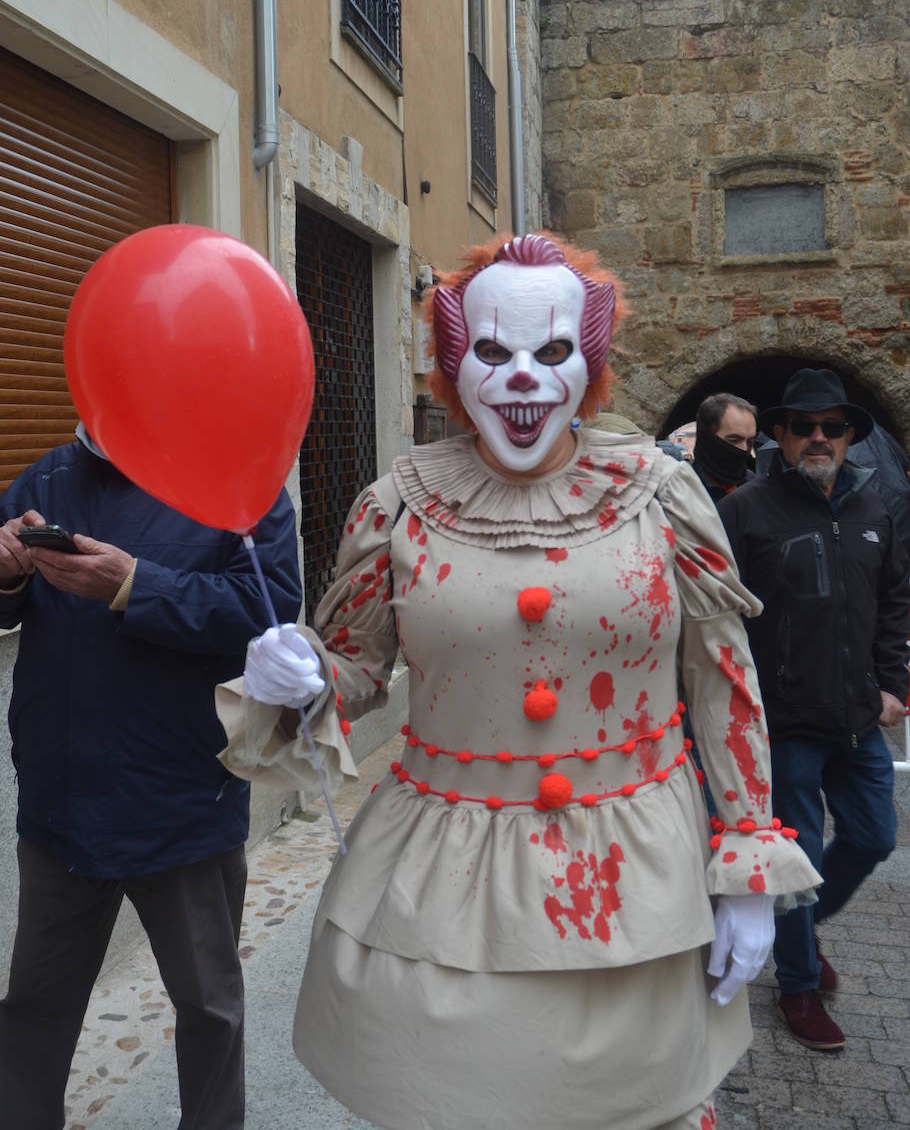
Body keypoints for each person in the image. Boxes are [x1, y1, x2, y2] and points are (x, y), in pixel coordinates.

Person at [219, 233, 819, 1130]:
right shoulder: (397, 505)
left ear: (591, 362)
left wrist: (746, 866)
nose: (525, 379)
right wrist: (300, 678)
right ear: (456, 368)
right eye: (494, 354)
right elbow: (355, 673)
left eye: (553, 352)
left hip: (637, 882)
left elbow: (725, 685)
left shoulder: (663, 495)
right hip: (446, 889)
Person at [0, 423, 302, 1130]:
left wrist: (137, 585)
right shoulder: (48, 477)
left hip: (185, 806)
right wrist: (8, 571)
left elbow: (270, 610)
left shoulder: (236, 479)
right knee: (31, 1015)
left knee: (209, 1010)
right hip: (58, 808)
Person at [717, 368, 910, 1052]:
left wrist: (895, 683)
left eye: (833, 426)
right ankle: (797, 984)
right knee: (794, 860)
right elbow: (717, 617)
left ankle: (797, 928)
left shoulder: (873, 507)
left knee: (874, 838)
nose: (819, 437)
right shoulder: (746, 511)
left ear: (852, 435)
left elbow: (895, 602)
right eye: (804, 427)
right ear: (781, 436)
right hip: (783, 722)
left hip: (860, 717)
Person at [691, 393, 757, 505]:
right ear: (707, 438)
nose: (744, 449)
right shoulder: (683, 489)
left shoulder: (753, 485)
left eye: (750, 442)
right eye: (734, 440)